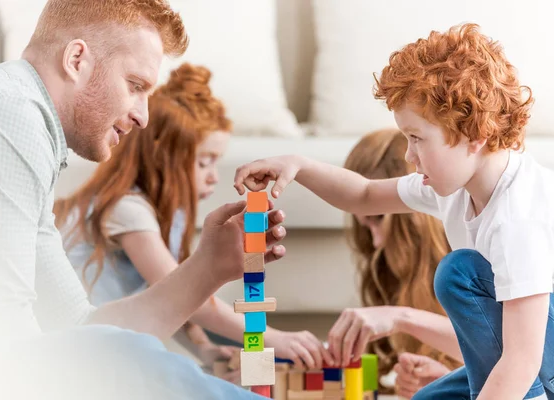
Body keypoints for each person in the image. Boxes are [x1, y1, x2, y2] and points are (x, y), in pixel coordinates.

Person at [0, 1, 301, 399]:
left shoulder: (26, 126)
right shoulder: (7, 115)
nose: (143, 117)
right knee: (138, 359)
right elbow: (3, 356)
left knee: (127, 353)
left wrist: (209, 267)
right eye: (136, 86)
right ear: (77, 58)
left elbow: (78, 327)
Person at [234, 23, 554, 400]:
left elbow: (522, 359)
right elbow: (364, 194)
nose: (408, 155)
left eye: (417, 138)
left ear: (474, 135)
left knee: (459, 272)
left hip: (535, 363)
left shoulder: (519, 217)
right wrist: (300, 166)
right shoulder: (454, 185)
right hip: (528, 358)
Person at [53, 62, 329, 372]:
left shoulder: (172, 216)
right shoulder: (126, 210)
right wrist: (271, 337)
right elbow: (185, 292)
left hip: (114, 342)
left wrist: (205, 349)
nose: (214, 177)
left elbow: (176, 298)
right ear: (162, 157)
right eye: (204, 162)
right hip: (83, 349)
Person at [342, 128, 462, 398]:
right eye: (365, 223)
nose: (376, 242)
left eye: (378, 219)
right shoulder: (389, 265)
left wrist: (451, 382)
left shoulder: (471, 263)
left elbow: (513, 358)